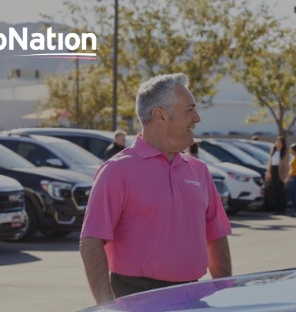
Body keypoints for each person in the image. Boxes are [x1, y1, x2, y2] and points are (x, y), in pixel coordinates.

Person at [79, 73, 232, 304]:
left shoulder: (199, 171)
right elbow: (91, 242)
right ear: (160, 115)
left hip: (194, 296)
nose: (197, 118)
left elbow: (216, 236)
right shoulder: (117, 171)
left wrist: (225, 295)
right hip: (138, 298)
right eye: (189, 110)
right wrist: (107, 308)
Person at [265, 136, 289, 215]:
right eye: (277, 142)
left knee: (281, 191)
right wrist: (268, 172)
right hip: (273, 170)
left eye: (280, 142)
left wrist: (285, 175)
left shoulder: (284, 152)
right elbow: (270, 162)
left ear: (282, 144)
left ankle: (283, 209)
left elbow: (286, 165)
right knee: (275, 190)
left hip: (280, 172)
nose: (278, 143)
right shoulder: (273, 150)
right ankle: (277, 209)